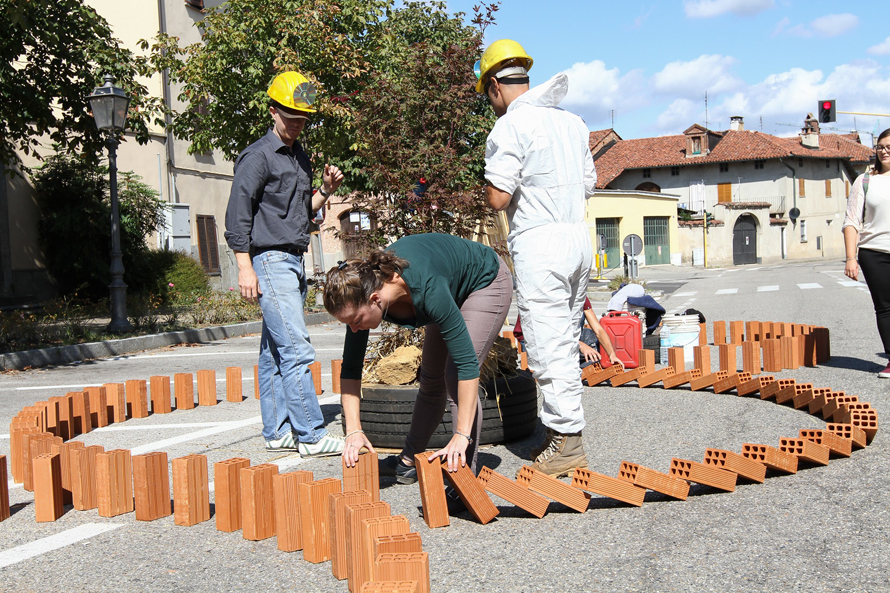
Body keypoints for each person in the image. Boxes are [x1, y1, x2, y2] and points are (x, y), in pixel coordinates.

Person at [477, 39, 597, 477]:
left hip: (539, 242)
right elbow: (588, 183)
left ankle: (567, 441)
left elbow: (498, 196)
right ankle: (560, 430)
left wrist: (489, 183)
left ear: (494, 87)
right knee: (566, 336)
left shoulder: (508, 127)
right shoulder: (572, 122)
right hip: (578, 238)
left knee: (548, 346)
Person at [324, 233, 512, 483]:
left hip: (483, 281)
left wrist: (461, 434)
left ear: (375, 299)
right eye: (348, 324)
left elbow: (467, 365)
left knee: (455, 373)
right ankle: (409, 460)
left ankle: (464, 477)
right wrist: (354, 430)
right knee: (431, 378)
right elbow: (351, 368)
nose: (354, 329)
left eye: (356, 321)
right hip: (447, 286)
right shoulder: (361, 298)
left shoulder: (427, 289)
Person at [224, 71, 345, 456]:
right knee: (296, 347)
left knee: (275, 352)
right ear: (273, 110)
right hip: (269, 260)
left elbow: (300, 212)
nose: (296, 123)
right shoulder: (257, 156)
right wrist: (245, 267)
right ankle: (310, 433)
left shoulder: (299, 156)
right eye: (290, 115)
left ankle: (277, 433)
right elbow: (237, 215)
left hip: (294, 259)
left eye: (303, 118)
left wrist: (325, 191)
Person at [843, 127, 890, 378]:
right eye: (881, 146)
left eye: (889, 147)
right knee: (885, 307)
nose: (884, 151)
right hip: (874, 251)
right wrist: (851, 258)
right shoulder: (865, 181)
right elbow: (851, 221)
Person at [513, 297, 621, 369]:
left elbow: (598, 330)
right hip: (533, 337)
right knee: (552, 372)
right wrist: (580, 345)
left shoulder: (579, 294)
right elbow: (548, 330)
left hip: (564, 338)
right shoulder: (549, 293)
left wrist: (612, 354)